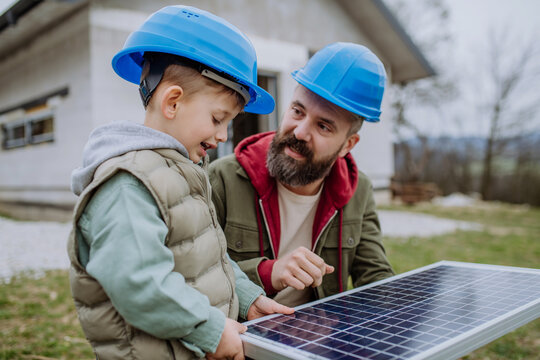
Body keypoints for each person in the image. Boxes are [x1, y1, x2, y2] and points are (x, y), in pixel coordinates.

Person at [67, 6, 292, 360]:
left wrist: (248, 300)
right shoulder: (129, 184)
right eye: (218, 119)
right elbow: (139, 283)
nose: (222, 136)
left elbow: (208, 257)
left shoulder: (182, 170)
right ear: (173, 102)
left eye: (229, 124)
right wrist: (212, 330)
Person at [209, 42, 395, 308]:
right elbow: (194, 272)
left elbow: (376, 278)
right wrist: (268, 273)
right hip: (241, 341)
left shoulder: (358, 190)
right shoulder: (222, 179)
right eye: (297, 111)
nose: (299, 132)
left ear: (348, 145)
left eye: (323, 126)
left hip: (320, 343)